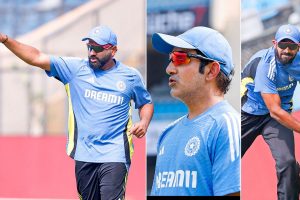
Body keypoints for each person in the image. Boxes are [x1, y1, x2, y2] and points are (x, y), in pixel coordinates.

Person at [0, 25, 153, 200]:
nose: (91, 53)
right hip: (84, 155)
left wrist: (144, 122)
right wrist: (5, 39)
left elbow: (146, 103)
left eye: (97, 48)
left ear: (113, 50)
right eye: (89, 47)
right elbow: (36, 57)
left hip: (115, 154)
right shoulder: (74, 69)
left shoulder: (130, 76)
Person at [150, 26, 240, 196]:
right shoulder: (167, 134)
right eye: (171, 58)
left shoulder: (226, 125)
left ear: (211, 71)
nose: (169, 68)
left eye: (180, 58)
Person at [241, 24, 300, 200]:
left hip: (275, 118)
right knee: (228, 159)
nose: (287, 50)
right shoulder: (266, 64)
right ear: (274, 43)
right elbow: (274, 110)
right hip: (249, 114)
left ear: (299, 47)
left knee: (287, 162)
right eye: (283, 45)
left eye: (292, 46)